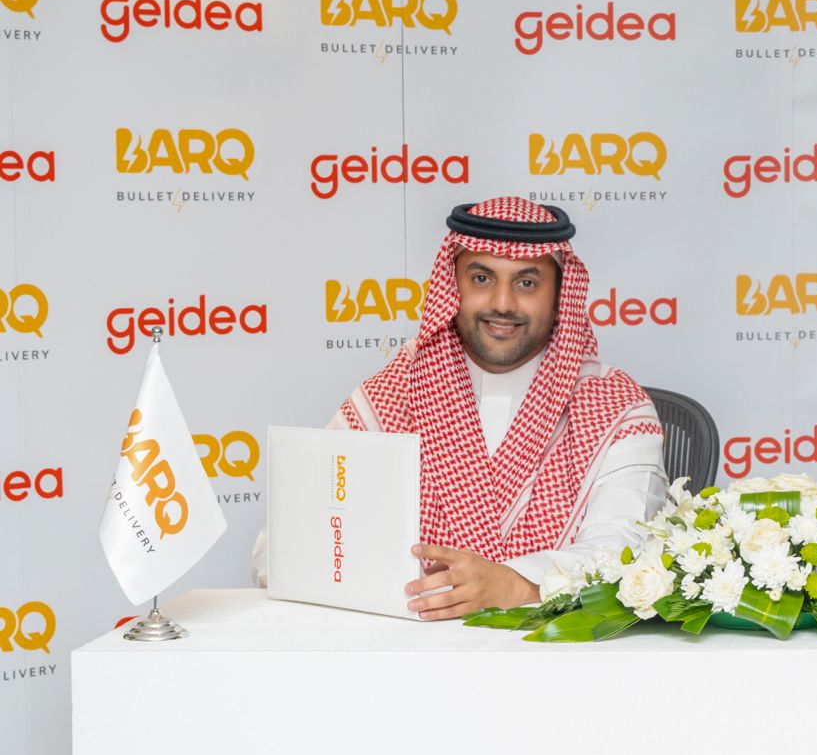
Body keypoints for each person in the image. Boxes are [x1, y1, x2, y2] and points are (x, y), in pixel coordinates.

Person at [253, 197, 666, 618]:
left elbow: (624, 548)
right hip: (409, 643)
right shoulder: (392, 394)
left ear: (559, 295)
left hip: (556, 644)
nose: (503, 303)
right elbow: (278, 552)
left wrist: (516, 584)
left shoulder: (615, 408)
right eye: (482, 278)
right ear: (453, 287)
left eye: (526, 283)